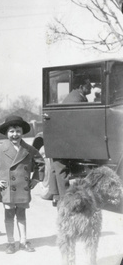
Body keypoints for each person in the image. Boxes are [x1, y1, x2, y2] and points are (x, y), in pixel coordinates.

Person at [0, 115, 45, 254]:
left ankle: (23, 241)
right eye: (11, 131)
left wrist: (35, 179)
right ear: (6, 133)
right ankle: (10, 242)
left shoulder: (29, 149)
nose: (15, 134)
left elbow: (40, 163)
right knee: (9, 214)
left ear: (22, 132)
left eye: (18, 131)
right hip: (7, 189)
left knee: (22, 214)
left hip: (23, 188)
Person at [46, 75, 93, 205]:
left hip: (61, 137)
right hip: (64, 138)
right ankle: (65, 199)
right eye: (89, 85)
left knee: (57, 167)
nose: (91, 87)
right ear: (81, 86)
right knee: (61, 168)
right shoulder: (76, 99)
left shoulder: (77, 96)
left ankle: (56, 195)